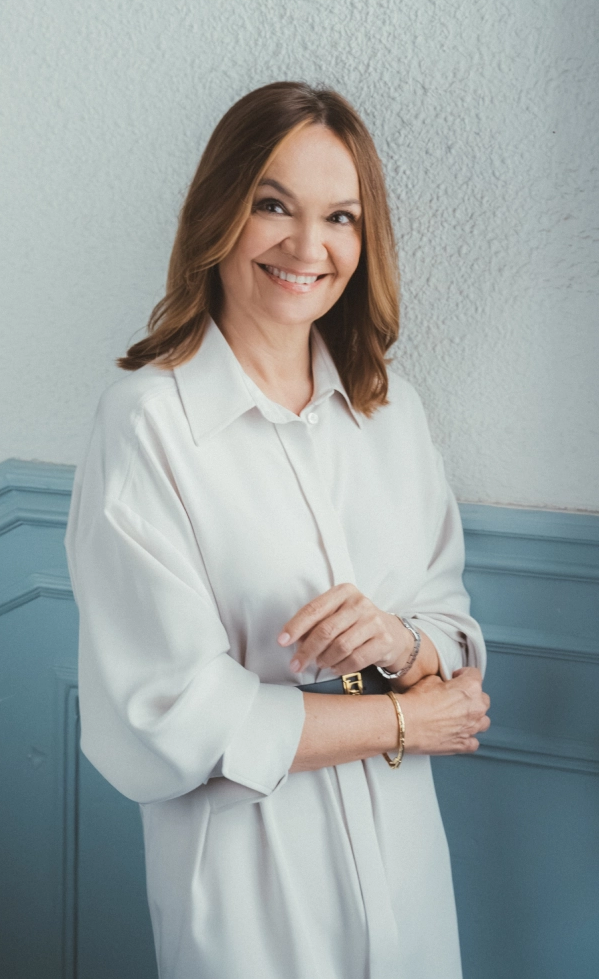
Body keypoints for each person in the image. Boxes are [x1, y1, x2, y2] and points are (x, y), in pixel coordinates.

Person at [64, 82, 490, 979]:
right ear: (219, 214)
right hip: (250, 887)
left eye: (339, 216)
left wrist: (402, 640)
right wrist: (404, 720)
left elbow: (449, 628)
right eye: (272, 205)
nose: (308, 246)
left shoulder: (393, 414)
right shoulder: (146, 423)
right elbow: (168, 713)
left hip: (408, 873)